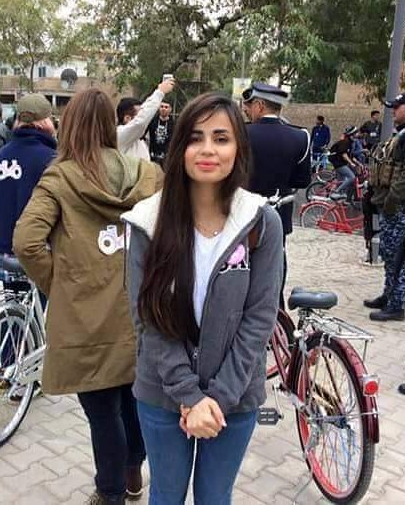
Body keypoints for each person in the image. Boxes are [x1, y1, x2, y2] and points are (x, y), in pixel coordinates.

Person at [122, 92, 284, 504]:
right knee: (166, 494)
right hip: (162, 393)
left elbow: (260, 318)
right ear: (179, 148)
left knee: (214, 496)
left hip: (235, 396)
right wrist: (189, 396)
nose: (208, 149)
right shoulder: (147, 221)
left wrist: (218, 398)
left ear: (238, 148)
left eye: (221, 138)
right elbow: (147, 316)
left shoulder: (261, 223)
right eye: (195, 138)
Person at [13, 88, 164, 505]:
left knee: (101, 411)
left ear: (72, 126)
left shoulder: (60, 177)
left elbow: (26, 242)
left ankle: (109, 492)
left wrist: (60, 285)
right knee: (133, 399)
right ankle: (132, 471)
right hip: (139, 309)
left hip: (85, 318)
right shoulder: (149, 175)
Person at [242, 82, 310, 307]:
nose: (246, 110)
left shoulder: (241, 133)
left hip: (243, 213)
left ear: (260, 105)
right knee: (275, 260)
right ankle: (275, 308)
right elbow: (302, 181)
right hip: (279, 211)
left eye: (249, 105)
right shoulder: (300, 137)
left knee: (239, 261)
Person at [0, 93, 57, 289]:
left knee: (12, 301)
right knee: (42, 303)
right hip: (36, 247)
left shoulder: (4, 152)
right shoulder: (51, 157)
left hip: (3, 242)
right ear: (45, 121)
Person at [365, 92, 405, 321]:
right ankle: (388, 295)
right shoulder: (402, 133)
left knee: (398, 257)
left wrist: (392, 200)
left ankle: (396, 305)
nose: (393, 111)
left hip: (398, 208)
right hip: (390, 205)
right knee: (389, 254)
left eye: (397, 107)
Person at [117, 78, 175, 160]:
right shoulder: (120, 135)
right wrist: (160, 92)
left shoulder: (137, 140)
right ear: (127, 118)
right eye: (139, 114)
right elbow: (141, 121)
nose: (144, 115)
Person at [329, 125, 363, 200]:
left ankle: (340, 199)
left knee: (341, 181)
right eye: (356, 133)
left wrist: (359, 163)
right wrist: (351, 163)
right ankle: (337, 192)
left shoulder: (350, 143)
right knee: (352, 177)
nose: (357, 134)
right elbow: (344, 155)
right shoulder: (344, 142)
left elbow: (351, 156)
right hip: (339, 164)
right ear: (352, 134)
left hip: (341, 164)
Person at [147, 100, 175, 165]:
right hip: (152, 155)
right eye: (161, 106)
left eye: (166, 107)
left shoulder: (174, 124)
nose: (163, 109)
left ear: (170, 109)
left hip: (166, 157)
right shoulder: (152, 121)